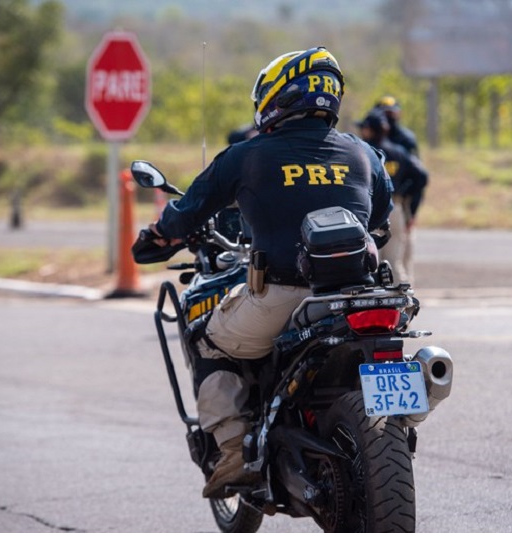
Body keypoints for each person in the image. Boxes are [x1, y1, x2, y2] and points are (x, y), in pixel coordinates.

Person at [145, 47, 393, 498]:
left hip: (282, 297)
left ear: (277, 96)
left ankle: (234, 450)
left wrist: (158, 236)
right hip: (361, 295)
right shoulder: (365, 155)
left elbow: (184, 215)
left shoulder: (246, 156)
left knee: (206, 337)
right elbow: (381, 216)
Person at [356, 109, 427, 285]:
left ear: (369, 130)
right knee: (394, 262)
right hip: (395, 208)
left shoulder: (363, 153)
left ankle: (374, 305)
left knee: (370, 263)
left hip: (371, 211)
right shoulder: (398, 151)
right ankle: (404, 303)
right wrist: (403, 191)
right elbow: (422, 176)